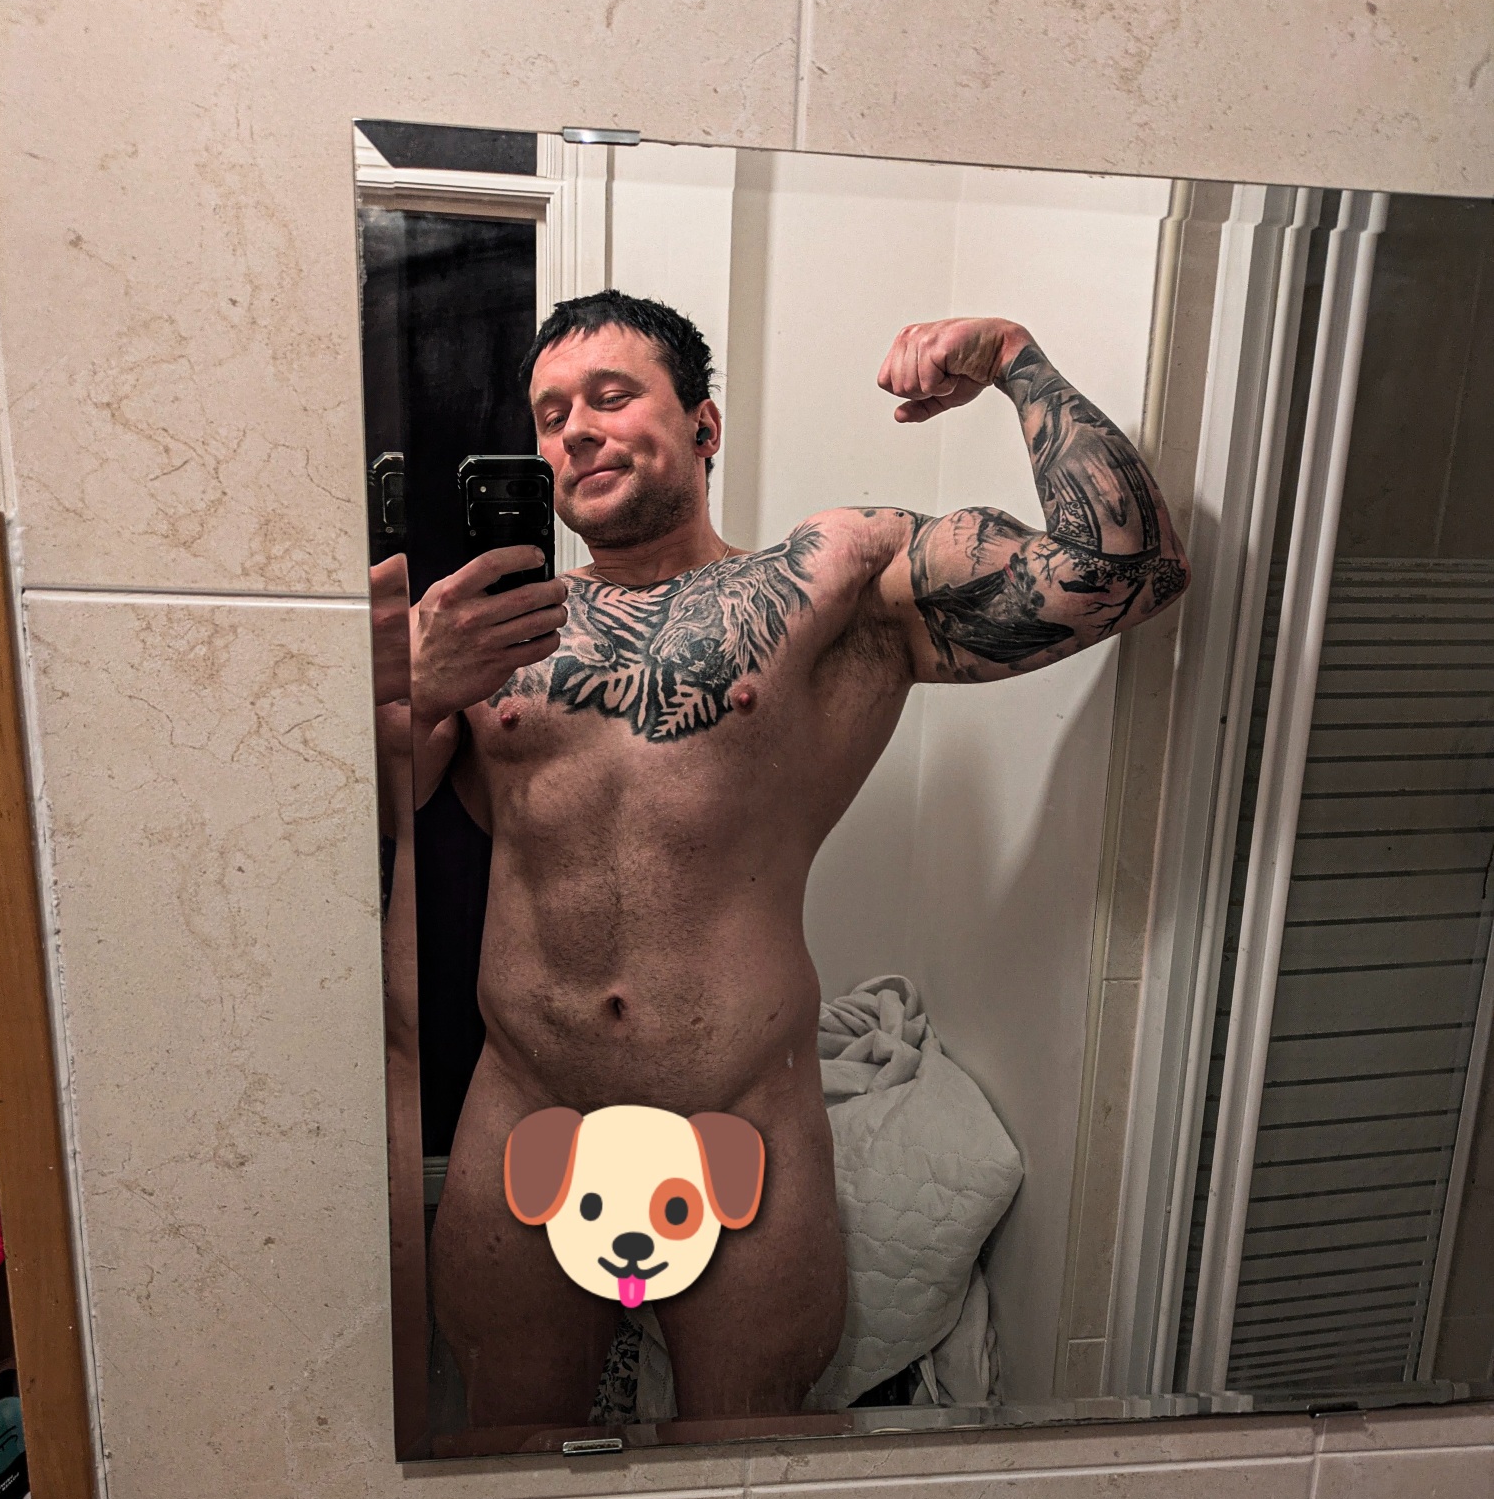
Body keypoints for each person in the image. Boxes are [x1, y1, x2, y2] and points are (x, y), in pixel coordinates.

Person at [408, 291, 1190, 1429]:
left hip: (739, 1107)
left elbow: (1128, 568)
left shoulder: (832, 582)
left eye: (611, 396)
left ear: (704, 425)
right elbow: (340, 831)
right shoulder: (489, 636)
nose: (575, 430)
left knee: (746, 1461)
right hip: (529, 1101)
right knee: (511, 1450)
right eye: (551, 413)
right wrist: (412, 688)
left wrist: (1011, 360)